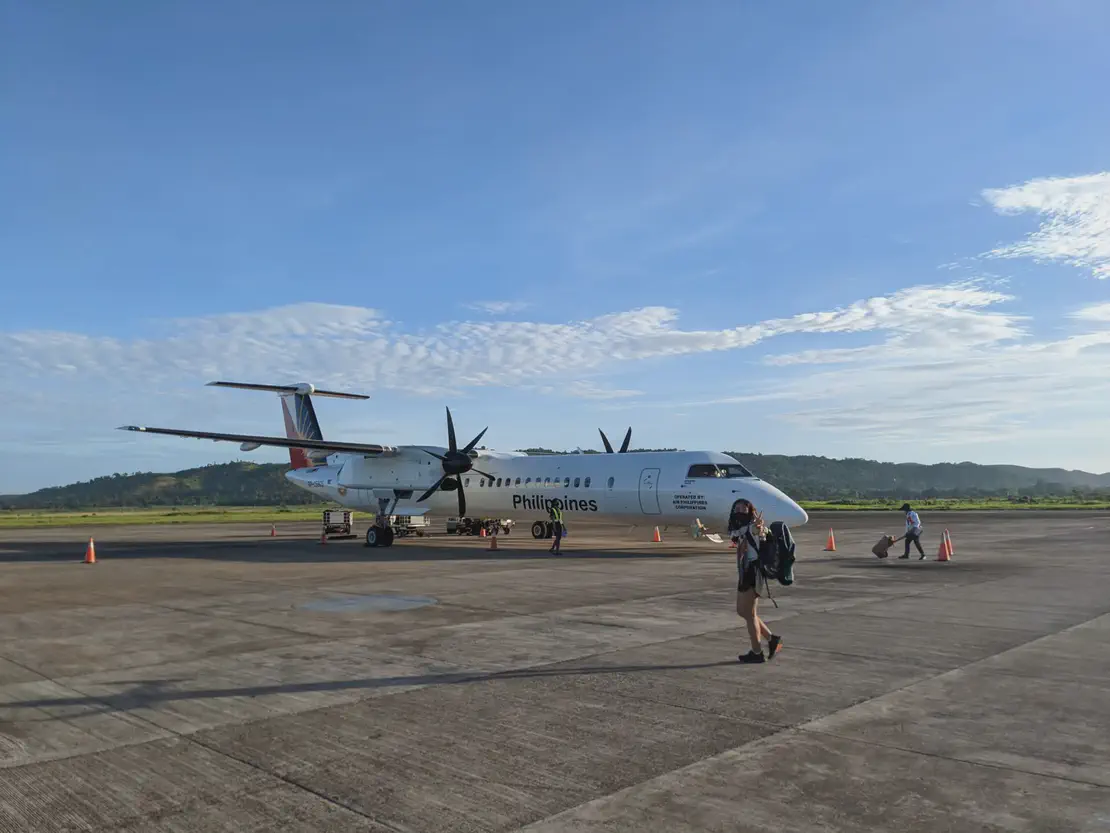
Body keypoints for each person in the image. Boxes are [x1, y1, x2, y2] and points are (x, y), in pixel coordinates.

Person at [729, 498, 783, 664]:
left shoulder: (753, 526)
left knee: (749, 613)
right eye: (736, 508)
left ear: (750, 510)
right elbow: (736, 538)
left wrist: (759, 527)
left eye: (744, 508)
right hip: (745, 571)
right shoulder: (739, 529)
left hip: (753, 572)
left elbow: (758, 531)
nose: (739, 511)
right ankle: (772, 639)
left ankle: (757, 652)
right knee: (742, 611)